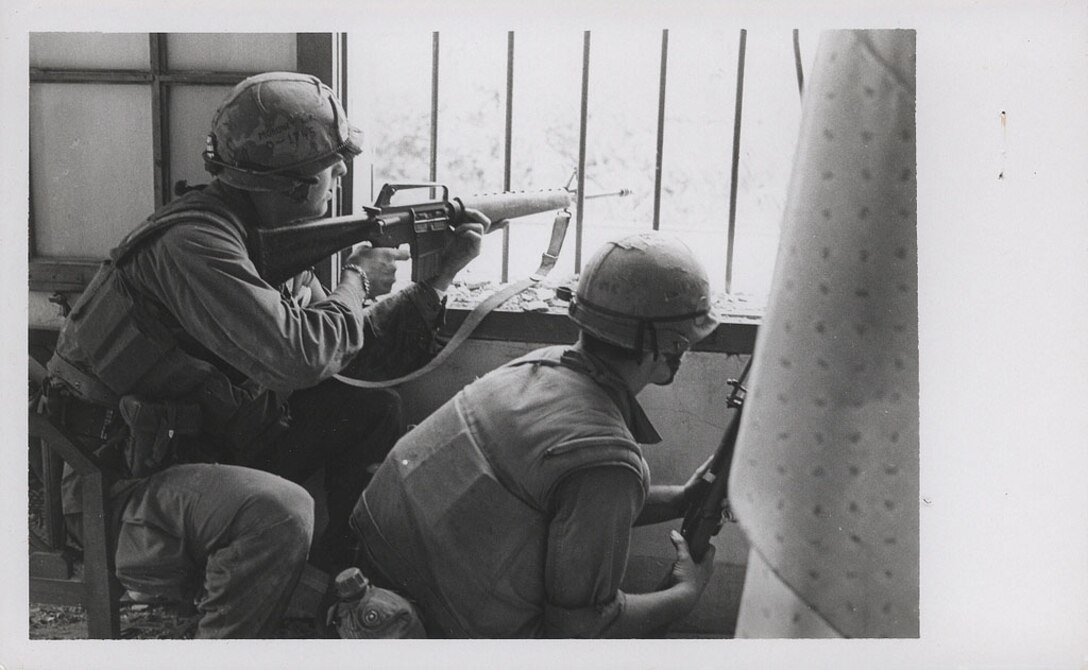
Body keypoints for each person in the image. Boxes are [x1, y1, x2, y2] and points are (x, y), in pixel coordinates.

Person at [41, 71, 486, 638]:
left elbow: (346, 355)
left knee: (374, 410)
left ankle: (336, 590)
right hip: (110, 490)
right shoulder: (195, 244)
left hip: (192, 452)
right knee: (279, 511)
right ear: (291, 185)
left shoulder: (263, 236)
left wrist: (438, 279)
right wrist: (356, 278)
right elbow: (297, 357)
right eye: (331, 164)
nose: (343, 172)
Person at [350, 231, 723, 638]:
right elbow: (579, 629)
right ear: (672, 348)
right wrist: (686, 593)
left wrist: (682, 499)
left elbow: (565, 507)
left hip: (374, 575)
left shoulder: (540, 367)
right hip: (437, 631)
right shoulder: (607, 461)